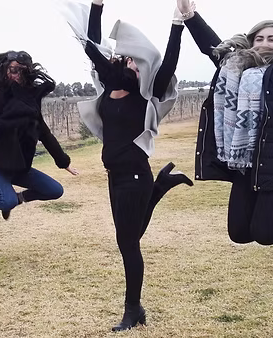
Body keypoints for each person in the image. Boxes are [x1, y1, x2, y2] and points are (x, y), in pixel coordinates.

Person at [62, 0, 193, 331]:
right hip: (115, 176)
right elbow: (93, 47)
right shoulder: (109, 88)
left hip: (134, 175)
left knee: (129, 244)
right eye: (128, 59)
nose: (131, 63)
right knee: (130, 237)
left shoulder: (144, 96)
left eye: (136, 62)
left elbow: (168, 62)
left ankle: (133, 310)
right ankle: (160, 187)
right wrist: (96, 7)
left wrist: (177, 24)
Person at [180, 0, 273, 259]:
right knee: (239, 232)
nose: (264, 43)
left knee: (265, 233)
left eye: (272, 39)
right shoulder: (236, 67)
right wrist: (189, 15)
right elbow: (212, 47)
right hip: (247, 165)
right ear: (251, 42)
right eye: (259, 38)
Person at [0, 51, 78, 226]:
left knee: (55, 190)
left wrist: (63, 162)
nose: (14, 74)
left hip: (19, 168)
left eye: (20, 70)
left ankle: (16, 198)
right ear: (5, 69)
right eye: (12, 69)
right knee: (7, 201)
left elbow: (44, 133)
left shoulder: (31, 100)